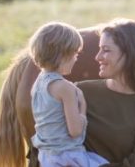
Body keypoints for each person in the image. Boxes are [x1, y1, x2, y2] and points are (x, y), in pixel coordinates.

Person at [76, 18, 135, 166]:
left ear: (131, 54)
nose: (98, 57)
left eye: (106, 50)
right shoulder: (80, 91)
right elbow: (48, 138)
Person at [28, 22, 109, 166]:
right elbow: (75, 131)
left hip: (46, 157)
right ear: (63, 55)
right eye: (75, 54)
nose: (76, 59)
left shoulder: (38, 84)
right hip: (67, 157)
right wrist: (82, 108)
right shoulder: (65, 88)